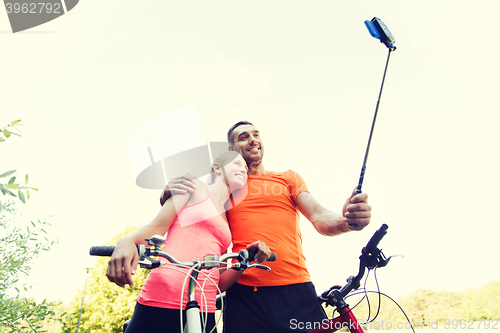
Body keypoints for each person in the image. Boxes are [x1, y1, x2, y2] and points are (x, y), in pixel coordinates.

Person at [161, 121, 372, 333]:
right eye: (243, 137)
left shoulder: (288, 178)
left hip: (295, 289)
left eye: (256, 135)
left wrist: (347, 222)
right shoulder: (226, 191)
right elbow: (202, 221)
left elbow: (318, 216)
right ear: (231, 150)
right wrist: (170, 193)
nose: (252, 139)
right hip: (243, 296)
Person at [106, 151, 272, 333]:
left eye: (246, 168)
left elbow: (217, 282)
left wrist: (244, 262)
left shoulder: (228, 218)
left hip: (204, 306)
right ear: (217, 168)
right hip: (163, 294)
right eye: (237, 164)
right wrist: (127, 240)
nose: (243, 169)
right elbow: (156, 228)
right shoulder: (195, 186)